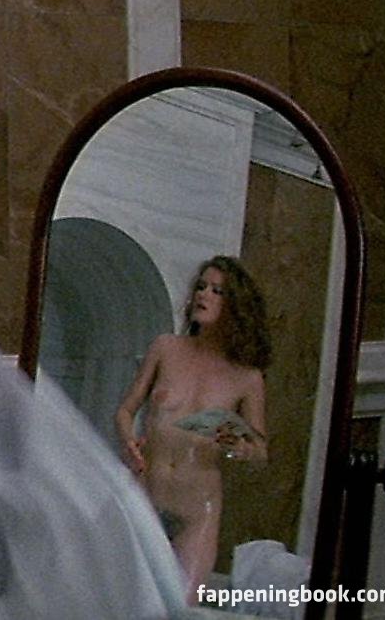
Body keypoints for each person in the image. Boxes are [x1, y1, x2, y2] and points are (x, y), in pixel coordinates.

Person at [113, 256, 272, 602]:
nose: (204, 295)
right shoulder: (166, 348)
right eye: (201, 287)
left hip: (196, 513)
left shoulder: (246, 377)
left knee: (179, 608)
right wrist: (128, 441)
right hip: (145, 497)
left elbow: (260, 452)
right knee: (124, 602)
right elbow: (125, 410)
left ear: (236, 306)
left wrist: (239, 447)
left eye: (217, 291)